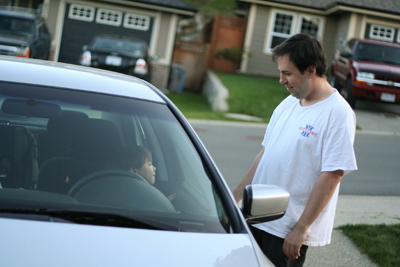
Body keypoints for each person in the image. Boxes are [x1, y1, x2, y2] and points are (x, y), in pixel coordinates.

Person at [232, 33, 357, 267]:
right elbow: (265, 154)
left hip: (286, 229)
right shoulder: (288, 103)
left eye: (287, 73)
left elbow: (332, 175)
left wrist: (301, 229)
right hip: (255, 216)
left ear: (311, 70)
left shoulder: (338, 113)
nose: (281, 80)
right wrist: (235, 196)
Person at [110, 145, 176, 201]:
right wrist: (163, 205)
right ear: (134, 172)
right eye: (149, 164)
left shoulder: (112, 192)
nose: (154, 168)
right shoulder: (145, 196)